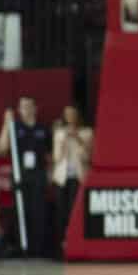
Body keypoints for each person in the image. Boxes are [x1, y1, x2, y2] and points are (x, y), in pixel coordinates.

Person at [0, 97, 50, 256]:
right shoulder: (15, 127)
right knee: (20, 211)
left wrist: (49, 175)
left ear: (35, 108)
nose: (25, 109)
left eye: (28, 106)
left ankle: (38, 249)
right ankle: (21, 247)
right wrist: (6, 123)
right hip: (20, 175)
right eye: (22, 107)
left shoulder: (43, 129)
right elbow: (2, 148)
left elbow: (49, 155)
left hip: (38, 175)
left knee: (38, 211)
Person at [51, 105, 92, 252]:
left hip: (78, 176)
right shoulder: (59, 134)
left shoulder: (86, 133)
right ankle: (62, 243)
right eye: (67, 115)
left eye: (73, 114)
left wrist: (78, 139)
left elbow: (88, 157)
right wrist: (62, 142)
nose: (70, 118)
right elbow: (56, 158)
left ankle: (77, 241)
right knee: (62, 210)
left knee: (75, 210)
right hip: (62, 178)